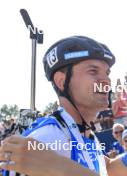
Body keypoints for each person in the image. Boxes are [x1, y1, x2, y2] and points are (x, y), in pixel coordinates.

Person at [2, 35, 116, 176]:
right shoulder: (47, 139)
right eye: (93, 71)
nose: (106, 80)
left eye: (107, 73)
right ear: (61, 81)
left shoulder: (89, 138)